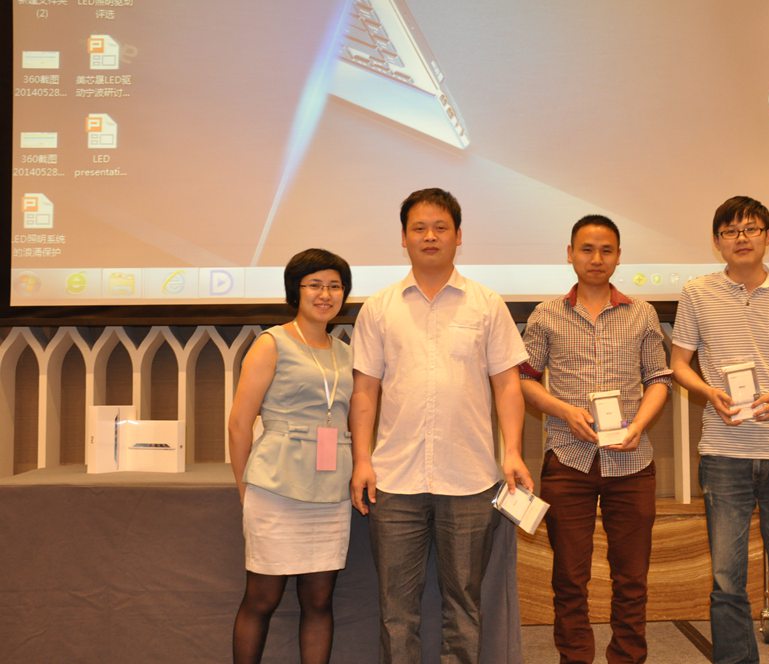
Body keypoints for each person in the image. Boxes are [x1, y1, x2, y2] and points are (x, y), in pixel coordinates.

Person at [349, 187, 533, 662]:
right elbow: (365, 391)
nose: (430, 236)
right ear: (404, 238)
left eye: (440, 227)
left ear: (458, 236)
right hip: (394, 480)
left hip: (470, 478)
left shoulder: (486, 304)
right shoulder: (380, 307)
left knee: (464, 607)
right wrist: (362, 460)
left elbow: (507, 386)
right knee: (396, 611)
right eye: (419, 228)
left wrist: (512, 451)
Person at [670, 196, 769, 664]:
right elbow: (678, 364)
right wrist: (709, 392)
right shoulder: (697, 293)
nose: (741, 238)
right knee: (726, 578)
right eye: (731, 231)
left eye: (751, 229)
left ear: (768, 236)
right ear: (717, 241)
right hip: (723, 451)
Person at [519, 215, 671, 663]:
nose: (596, 258)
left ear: (618, 256)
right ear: (570, 254)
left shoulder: (642, 313)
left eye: (606, 250)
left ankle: (627, 657)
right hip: (568, 459)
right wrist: (564, 411)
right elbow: (524, 380)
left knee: (632, 578)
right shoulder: (546, 314)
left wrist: (638, 424)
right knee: (569, 577)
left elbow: (659, 379)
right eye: (586, 249)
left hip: (632, 462)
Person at [228, 248, 355, 664]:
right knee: (261, 598)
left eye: (334, 286)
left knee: (319, 600)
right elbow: (239, 423)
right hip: (276, 488)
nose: (325, 294)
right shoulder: (272, 343)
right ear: (295, 291)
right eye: (314, 285)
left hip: (330, 490)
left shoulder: (345, 352)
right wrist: (244, 488)